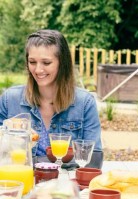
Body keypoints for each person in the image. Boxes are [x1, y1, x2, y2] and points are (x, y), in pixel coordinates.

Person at [0, 29, 102, 167]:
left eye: (46, 63)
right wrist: (11, 137)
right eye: (32, 62)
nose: (38, 70)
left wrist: (38, 162)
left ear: (62, 63)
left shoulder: (84, 103)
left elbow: (93, 161)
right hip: (21, 182)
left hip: (66, 185)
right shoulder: (9, 99)